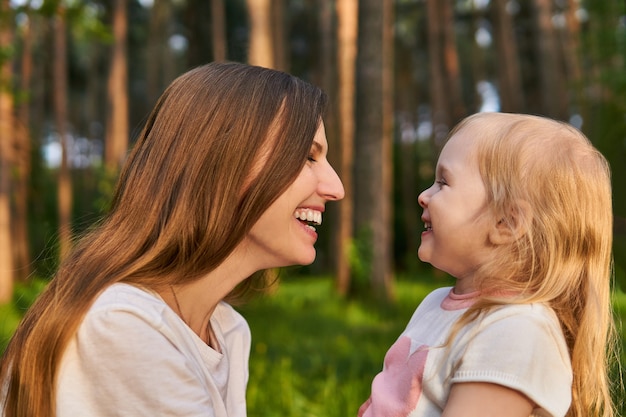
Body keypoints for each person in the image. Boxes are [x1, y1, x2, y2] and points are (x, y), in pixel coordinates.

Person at [0, 61, 344, 417]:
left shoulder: (226, 331)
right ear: (223, 162)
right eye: (307, 156)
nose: (337, 188)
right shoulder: (125, 328)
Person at [358, 112, 617, 417]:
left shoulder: (517, 331)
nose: (423, 196)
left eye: (443, 182)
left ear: (506, 222)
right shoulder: (435, 304)